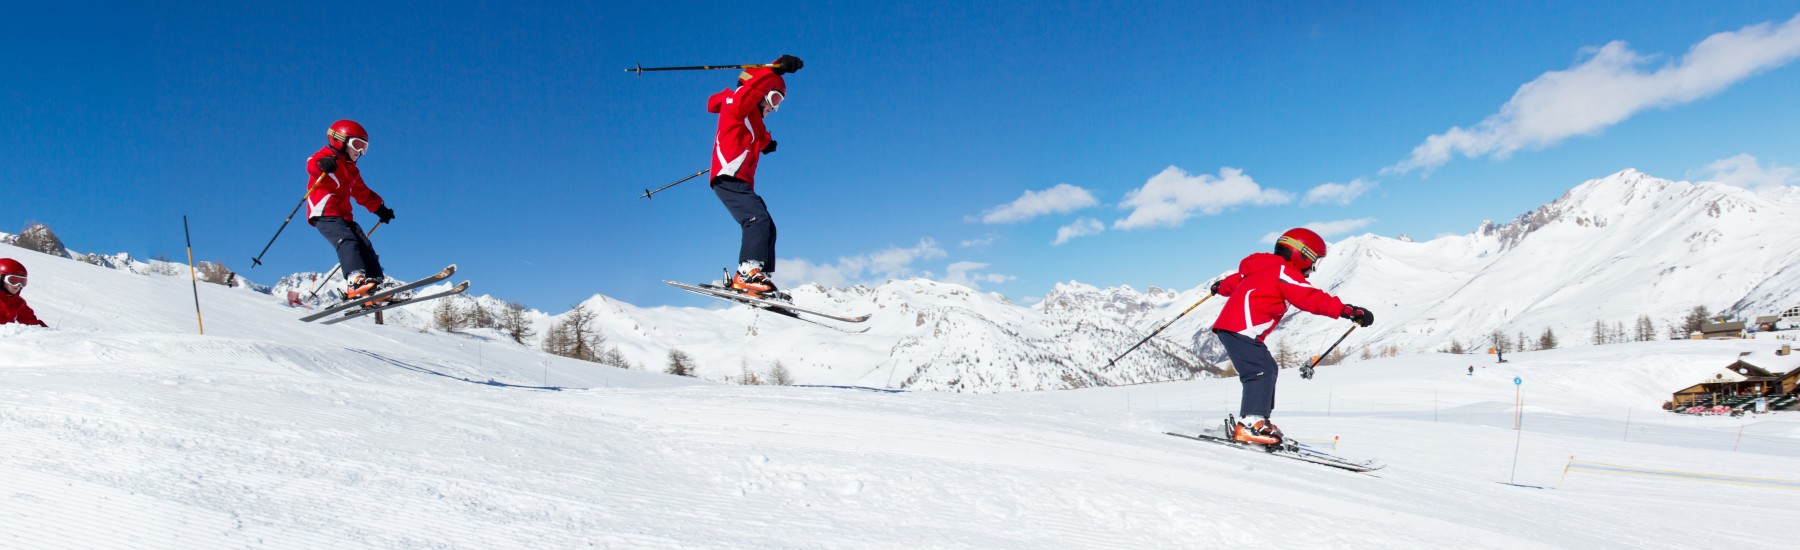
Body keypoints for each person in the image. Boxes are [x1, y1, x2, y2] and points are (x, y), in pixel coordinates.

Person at [1207, 228, 1373, 446]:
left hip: (1234, 328)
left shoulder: (1263, 268)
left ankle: (1258, 420)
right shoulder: (1284, 272)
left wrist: (1221, 287)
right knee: (1260, 371)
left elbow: (1236, 280)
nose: (1312, 269)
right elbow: (1309, 297)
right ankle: (1250, 424)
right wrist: (1349, 311)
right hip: (1242, 329)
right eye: (1313, 262)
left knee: (1267, 368)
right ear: (1300, 254)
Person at [707, 54, 803, 299]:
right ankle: (747, 272)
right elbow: (745, 97)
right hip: (728, 177)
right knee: (755, 219)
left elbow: (760, 135)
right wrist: (775, 71)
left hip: (740, 183)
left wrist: (767, 144)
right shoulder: (736, 102)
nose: (774, 107)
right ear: (760, 91)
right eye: (774, 98)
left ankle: (760, 275)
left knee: (767, 224)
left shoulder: (754, 119)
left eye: (779, 102)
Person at [306, 119, 396, 303]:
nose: (360, 151)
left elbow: (361, 192)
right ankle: (355, 282)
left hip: (344, 216)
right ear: (339, 140)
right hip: (324, 212)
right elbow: (311, 164)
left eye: (364, 147)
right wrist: (322, 164)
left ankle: (374, 285)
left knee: (364, 244)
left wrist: (379, 208)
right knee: (347, 241)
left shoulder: (352, 171)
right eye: (357, 144)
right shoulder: (328, 157)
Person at [0, 258, 48, 327]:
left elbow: (31, 322)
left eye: (22, 281)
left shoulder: (18, 302)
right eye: (13, 280)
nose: (18, 285)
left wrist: (48, 332)